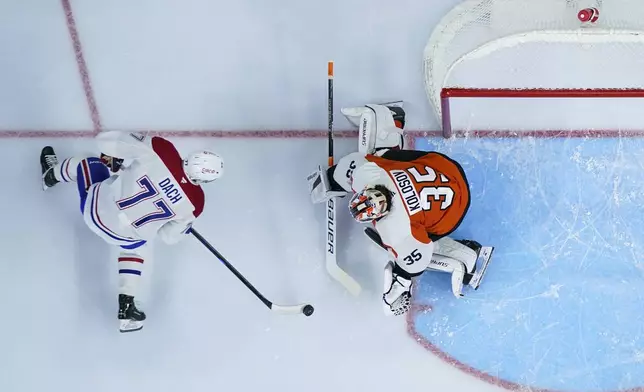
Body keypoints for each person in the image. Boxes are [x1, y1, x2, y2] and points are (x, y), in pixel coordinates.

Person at [308, 103, 493, 316]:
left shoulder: (391, 220)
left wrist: (329, 182)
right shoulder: (373, 178)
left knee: (415, 241)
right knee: (383, 159)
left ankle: (465, 257)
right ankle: (390, 121)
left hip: (453, 214)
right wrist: (397, 284)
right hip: (448, 171)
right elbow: (348, 168)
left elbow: (417, 261)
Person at [40, 131, 224, 332]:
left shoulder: (163, 150)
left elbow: (106, 142)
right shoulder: (196, 204)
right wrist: (184, 227)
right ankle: (126, 306)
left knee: (88, 161)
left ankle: (50, 174)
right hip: (126, 235)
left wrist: (119, 158)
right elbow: (168, 237)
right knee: (137, 245)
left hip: (97, 212)